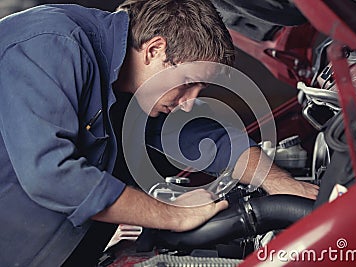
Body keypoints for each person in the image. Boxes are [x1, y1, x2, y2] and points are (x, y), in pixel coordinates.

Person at [0, 0, 318, 266]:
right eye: (189, 82)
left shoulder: (134, 85)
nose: (189, 102)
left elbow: (210, 139)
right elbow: (50, 175)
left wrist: (283, 185)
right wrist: (174, 215)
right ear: (155, 51)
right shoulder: (51, 44)